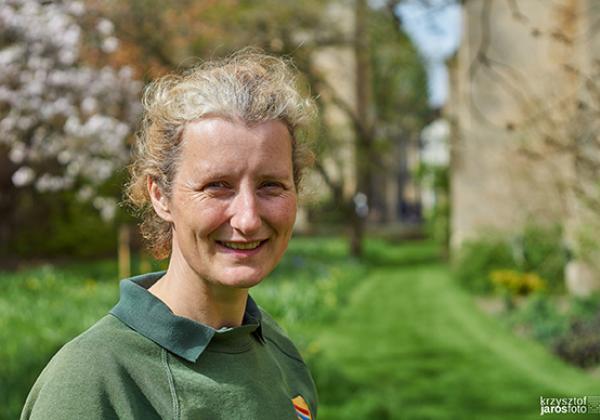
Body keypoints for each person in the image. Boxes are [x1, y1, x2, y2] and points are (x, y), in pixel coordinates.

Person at [21, 50, 318, 420]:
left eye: (271, 185)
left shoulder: (276, 349)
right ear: (160, 195)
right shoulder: (92, 384)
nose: (248, 218)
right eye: (217, 186)